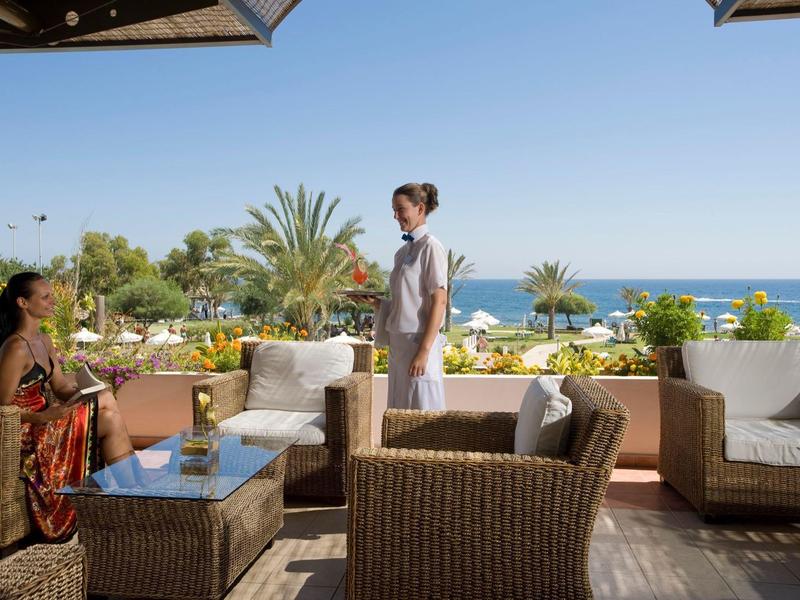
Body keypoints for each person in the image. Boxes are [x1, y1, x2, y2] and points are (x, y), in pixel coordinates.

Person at [0, 272, 136, 542]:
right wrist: (41, 417)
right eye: (46, 296)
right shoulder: (15, 348)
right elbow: (2, 409)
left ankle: (130, 496)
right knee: (108, 411)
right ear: (22, 302)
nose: (52, 301)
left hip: (49, 418)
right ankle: (133, 496)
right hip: (26, 432)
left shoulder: (44, 341)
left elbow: (60, 387)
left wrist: (87, 389)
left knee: (106, 401)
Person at [354, 182, 447, 410]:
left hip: (417, 343)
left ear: (420, 208)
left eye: (400, 209)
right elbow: (405, 300)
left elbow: (440, 300)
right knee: (399, 408)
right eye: (394, 210)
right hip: (399, 344)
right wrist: (377, 303)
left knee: (421, 409)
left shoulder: (431, 248)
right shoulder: (402, 252)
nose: (396, 216)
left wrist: (423, 352)